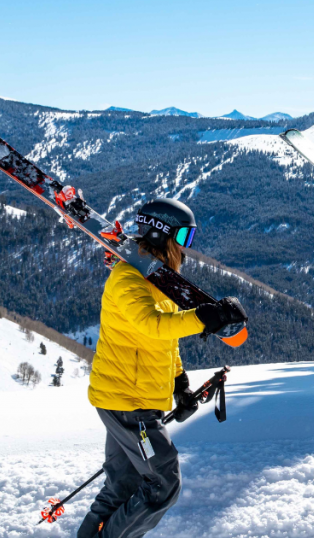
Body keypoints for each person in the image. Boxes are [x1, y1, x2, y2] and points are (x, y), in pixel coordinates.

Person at [78, 199, 247, 538]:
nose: (185, 249)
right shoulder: (127, 279)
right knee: (163, 483)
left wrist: (179, 385)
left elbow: (165, 341)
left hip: (132, 399)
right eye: (183, 237)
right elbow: (153, 325)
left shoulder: (157, 281)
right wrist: (204, 317)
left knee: (123, 484)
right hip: (128, 404)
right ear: (161, 235)